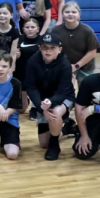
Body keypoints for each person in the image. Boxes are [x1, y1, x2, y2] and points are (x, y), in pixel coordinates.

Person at [23, 31, 74, 161]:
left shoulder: (65, 64)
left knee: (55, 113)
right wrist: (41, 107)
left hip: (64, 97)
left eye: (52, 48)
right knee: (43, 143)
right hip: (42, 100)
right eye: (44, 47)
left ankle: (55, 145)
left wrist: (51, 102)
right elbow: (30, 87)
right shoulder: (32, 61)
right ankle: (67, 128)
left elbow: (63, 91)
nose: (48, 51)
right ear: (39, 48)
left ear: (59, 49)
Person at [55, 1, 100, 80]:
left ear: (79, 14)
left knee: (85, 90)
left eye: (74, 12)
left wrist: (76, 66)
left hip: (86, 66)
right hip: (65, 66)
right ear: (62, 14)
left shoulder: (87, 30)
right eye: (67, 12)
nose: (70, 14)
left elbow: (92, 51)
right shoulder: (56, 31)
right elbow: (54, 49)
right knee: (67, 90)